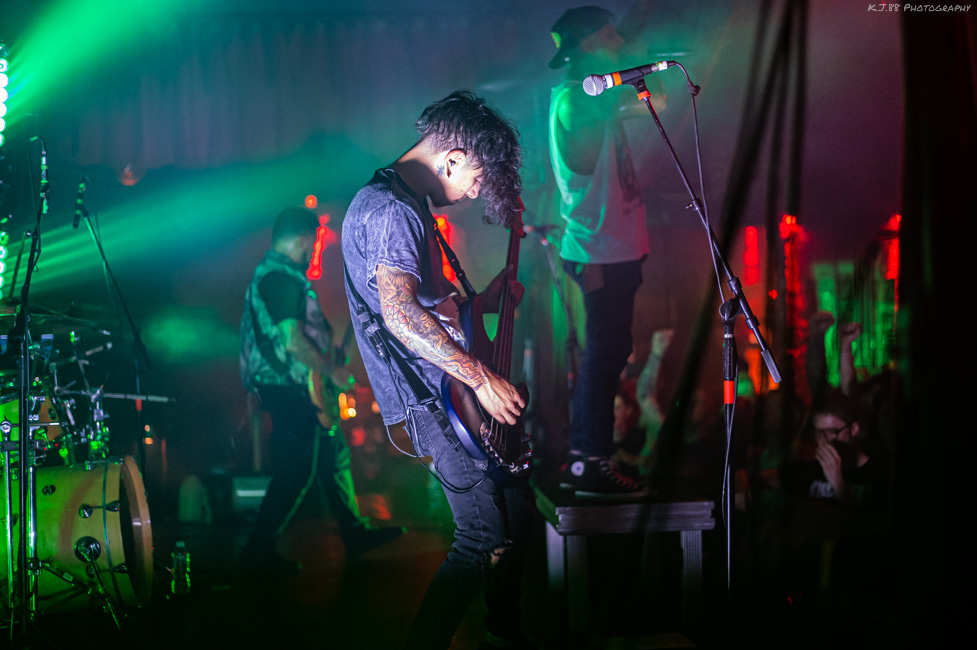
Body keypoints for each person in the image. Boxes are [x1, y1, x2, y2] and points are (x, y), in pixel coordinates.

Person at [342, 92, 537, 650]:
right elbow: (401, 314)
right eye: (476, 178)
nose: (476, 192)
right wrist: (481, 377)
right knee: (480, 536)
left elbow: (431, 308)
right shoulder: (391, 210)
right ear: (452, 158)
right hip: (429, 397)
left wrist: (484, 300)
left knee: (517, 511)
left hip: (448, 388)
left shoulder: (410, 204)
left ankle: (504, 630)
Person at [240, 207, 403, 570]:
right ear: (301, 239)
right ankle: (256, 552)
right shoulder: (278, 279)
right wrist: (332, 371)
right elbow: (293, 341)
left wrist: (330, 357)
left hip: (302, 386)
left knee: (334, 457)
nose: (312, 251)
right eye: (312, 243)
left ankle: (354, 533)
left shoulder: (285, 278)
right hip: (288, 388)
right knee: (295, 471)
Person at [549, 5, 666, 497]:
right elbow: (641, 100)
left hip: (616, 246)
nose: (617, 41)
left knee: (612, 351)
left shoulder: (592, 95)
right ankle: (587, 460)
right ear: (591, 43)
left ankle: (589, 457)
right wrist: (632, 57)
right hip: (596, 249)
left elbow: (653, 101)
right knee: (602, 353)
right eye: (609, 34)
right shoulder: (574, 99)